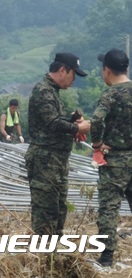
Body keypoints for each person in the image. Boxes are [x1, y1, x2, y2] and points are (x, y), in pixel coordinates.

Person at [24, 52, 91, 236]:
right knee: (46, 210)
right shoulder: (43, 90)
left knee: (59, 208)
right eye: (73, 75)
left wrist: (72, 122)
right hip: (45, 160)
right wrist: (76, 129)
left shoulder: (53, 92)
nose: (73, 80)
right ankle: (44, 254)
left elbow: (53, 122)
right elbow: (51, 123)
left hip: (56, 160)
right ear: (63, 70)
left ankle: (54, 252)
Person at [91, 48, 132, 267]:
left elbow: (97, 120)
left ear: (106, 70)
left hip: (115, 161)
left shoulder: (111, 94)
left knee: (109, 209)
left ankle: (106, 258)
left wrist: (97, 144)